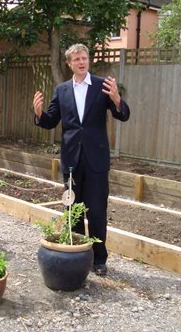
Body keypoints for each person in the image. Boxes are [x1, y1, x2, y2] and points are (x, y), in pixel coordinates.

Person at [32, 43, 130, 276]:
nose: (81, 62)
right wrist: (38, 114)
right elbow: (50, 121)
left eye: (84, 57)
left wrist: (117, 100)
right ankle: (76, 251)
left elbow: (123, 115)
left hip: (96, 160)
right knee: (73, 209)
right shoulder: (62, 90)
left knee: (96, 211)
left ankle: (99, 259)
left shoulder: (101, 86)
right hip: (72, 159)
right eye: (76, 59)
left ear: (89, 60)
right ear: (69, 63)